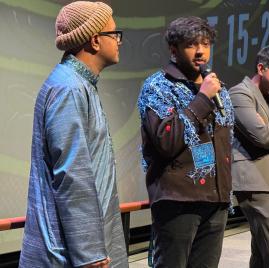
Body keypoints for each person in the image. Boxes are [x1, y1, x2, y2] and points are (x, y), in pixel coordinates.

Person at [19, 2, 127, 267]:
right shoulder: (69, 88)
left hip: (80, 246)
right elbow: (72, 172)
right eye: (114, 35)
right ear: (95, 41)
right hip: (68, 253)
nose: (119, 41)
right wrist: (89, 252)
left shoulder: (79, 84)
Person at [137, 16, 234, 268]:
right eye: (191, 44)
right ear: (174, 50)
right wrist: (202, 99)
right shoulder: (158, 87)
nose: (200, 51)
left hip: (216, 200)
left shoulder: (219, 89)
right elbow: (166, 140)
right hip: (178, 199)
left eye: (205, 43)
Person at [230, 46, 269, 268]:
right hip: (254, 181)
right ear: (261, 68)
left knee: (261, 251)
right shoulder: (240, 93)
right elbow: (261, 137)